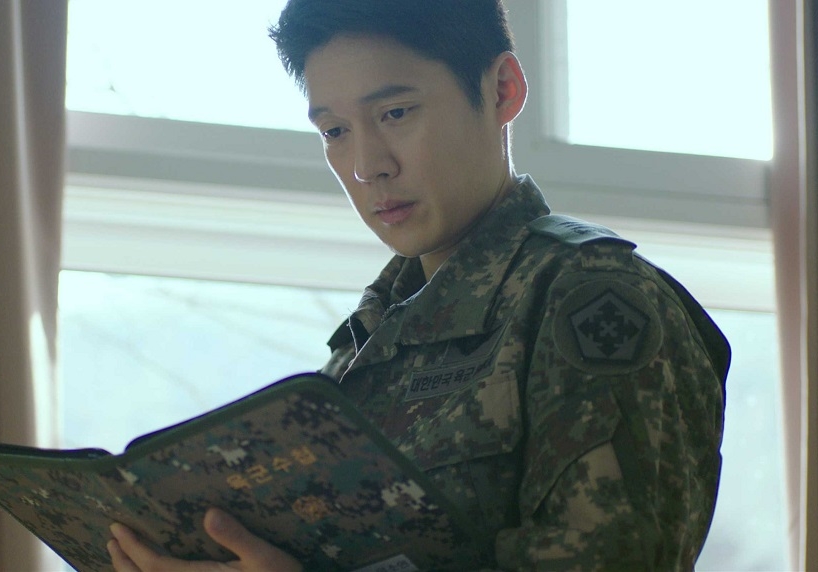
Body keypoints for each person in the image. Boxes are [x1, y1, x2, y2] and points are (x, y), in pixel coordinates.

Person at [107, 0, 731, 570]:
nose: (367, 165)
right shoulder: (366, 340)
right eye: (335, 131)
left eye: (395, 113)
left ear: (502, 90)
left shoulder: (588, 299)